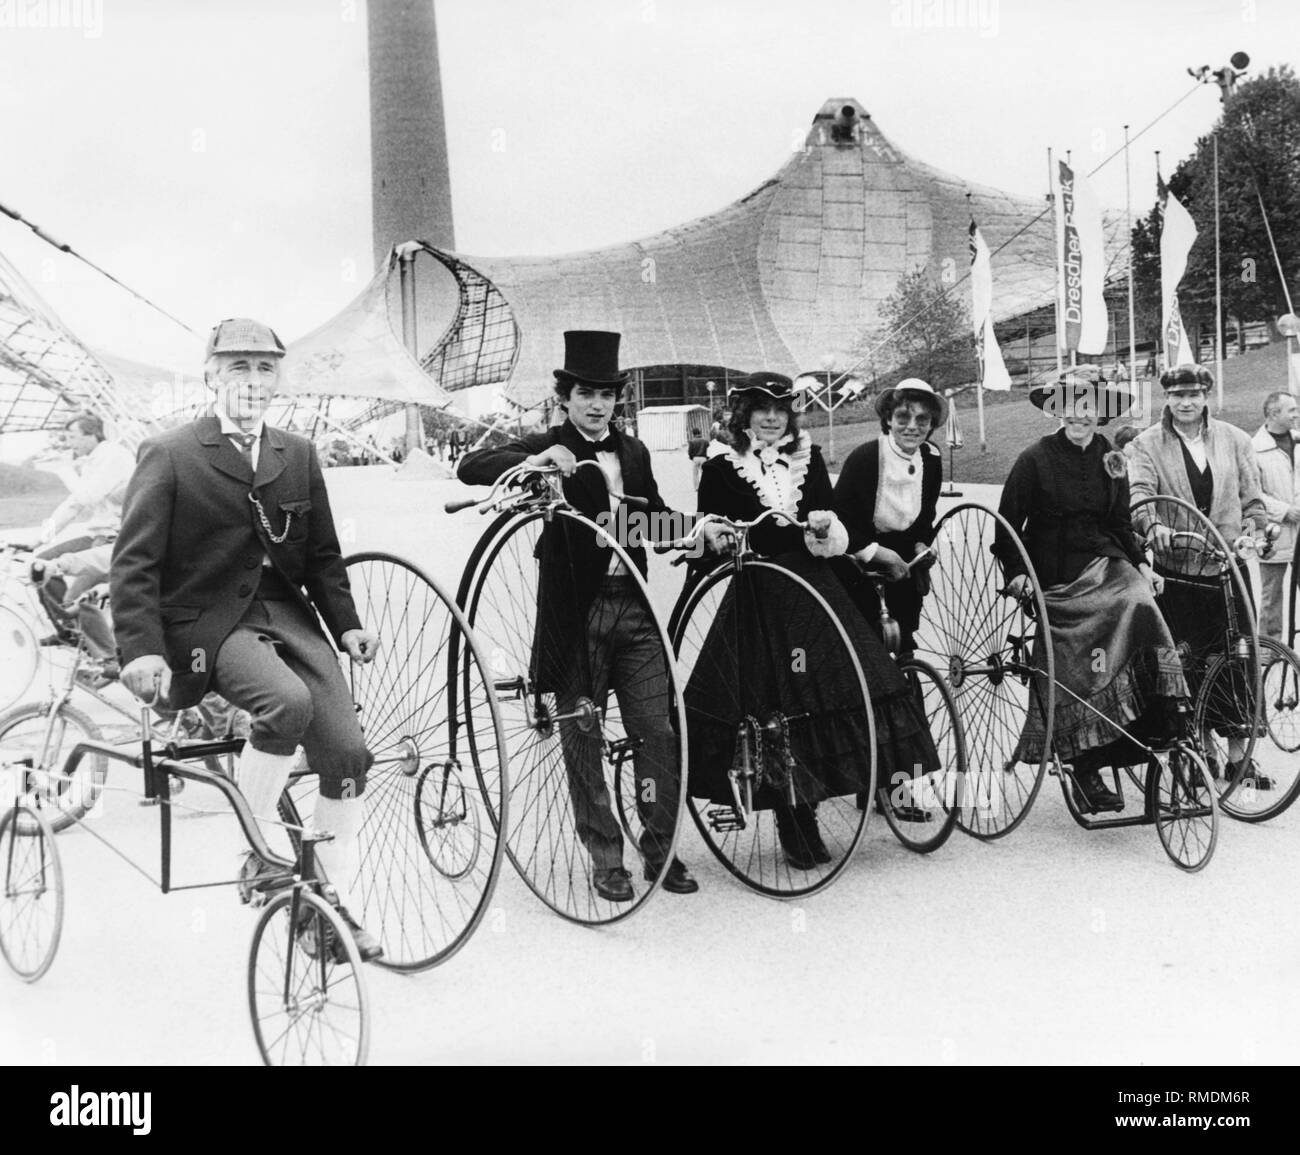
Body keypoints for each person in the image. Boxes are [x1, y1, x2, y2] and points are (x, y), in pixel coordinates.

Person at [110, 317, 383, 959]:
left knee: (348, 752)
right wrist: (141, 647)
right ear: (210, 376)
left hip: (287, 618)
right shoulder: (172, 451)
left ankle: (325, 905)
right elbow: (135, 563)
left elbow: (323, 557)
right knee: (286, 704)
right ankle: (257, 855)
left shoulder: (298, 453)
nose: (253, 381)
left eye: (265, 369)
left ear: (278, 379)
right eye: (238, 368)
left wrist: (346, 624)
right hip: (206, 623)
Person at [457, 330, 728, 902]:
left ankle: (661, 850)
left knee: (656, 731)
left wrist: (699, 530)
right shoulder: (550, 444)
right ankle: (607, 858)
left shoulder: (632, 452)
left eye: (607, 394)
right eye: (586, 393)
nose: (598, 404)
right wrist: (536, 460)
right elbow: (472, 465)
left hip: (634, 610)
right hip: (575, 615)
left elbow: (649, 521)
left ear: (617, 399)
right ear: (566, 398)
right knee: (581, 734)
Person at [683, 372, 940, 866]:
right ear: (746, 414)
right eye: (762, 409)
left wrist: (826, 527)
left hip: (815, 587)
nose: (773, 417)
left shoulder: (809, 457)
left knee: (838, 689)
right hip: (758, 590)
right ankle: (791, 817)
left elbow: (832, 519)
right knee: (773, 702)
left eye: (781, 409)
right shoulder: (721, 464)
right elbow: (705, 526)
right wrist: (715, 535)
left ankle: (846, 793)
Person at [995, 367, 1189, 812]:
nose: (1080, 414)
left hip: (1108, 563)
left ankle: (1156, 723)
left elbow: (1119, 522)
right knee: (1079, 645)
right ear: (1058, 409)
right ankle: (1085, 763)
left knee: (1140, 602)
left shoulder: (1110, 456)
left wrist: (1142, 563)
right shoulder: (1034, 460)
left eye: (1090, 405)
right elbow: (1007, 528)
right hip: (1055, 575)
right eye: (1071, 404)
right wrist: (1017, 573)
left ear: (1100, 412)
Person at [1128, 363, 1268, 782]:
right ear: (1166, 399)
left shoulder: (1234, 439)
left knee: (1237, 657)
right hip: (1180, 571)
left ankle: (1240, 751)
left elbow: (1252, 498)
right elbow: (1139, 493)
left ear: (1207, 396)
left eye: (1193, 395)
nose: (1185, 403)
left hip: (1229, 567)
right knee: (1186, 661)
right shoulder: (1146, 444)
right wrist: (1153, 525)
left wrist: (1253, 526)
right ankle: (1197, 748)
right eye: (1176, 395)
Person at [833, 377, 945, 655]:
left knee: (903, 641)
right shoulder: (866, 458)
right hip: (858, 557)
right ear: (889, 419)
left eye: (922, 419)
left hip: (903, 561)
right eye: (903, 417)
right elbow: (839, 520)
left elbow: (925, 515)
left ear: (931, 424)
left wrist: (922, 544)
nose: (912, 426)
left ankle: (908, 685)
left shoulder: (931, 458)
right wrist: (875, 553)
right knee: (868, 645)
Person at [34, 413, 135, 639]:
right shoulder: (92, 461)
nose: (69, 443)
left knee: (77, 599)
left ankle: (81, 638)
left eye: (73, 437)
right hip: (98, 535)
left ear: (92, 436)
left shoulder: (114, 457)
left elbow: (87, 497)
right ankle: (70, 631)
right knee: (41, 565)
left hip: (116, 540)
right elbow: (73, 504)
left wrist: (64, 469)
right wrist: (41, 537)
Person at [1250, 391, 1300, 642]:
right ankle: (1271, 647)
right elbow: (1251, 492)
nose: (1297, 414)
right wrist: (1284, 511)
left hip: (1299, 529)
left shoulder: (1299, 441)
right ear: (1273, 414)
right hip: (1273, 532)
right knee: (1271, 594)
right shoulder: (1253, 448)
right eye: (1291, 410)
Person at [686, 425, 709, 490]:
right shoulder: (705, 441)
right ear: (700, 432)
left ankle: (696, 487)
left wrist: (691, 458)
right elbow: (709, 450)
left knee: (695, 474)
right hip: (704, 458)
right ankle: (704, 487)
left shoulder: (692, 441)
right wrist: (707, 458)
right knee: (704, 474)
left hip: (695, 458)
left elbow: (690, 452)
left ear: (693, 434)